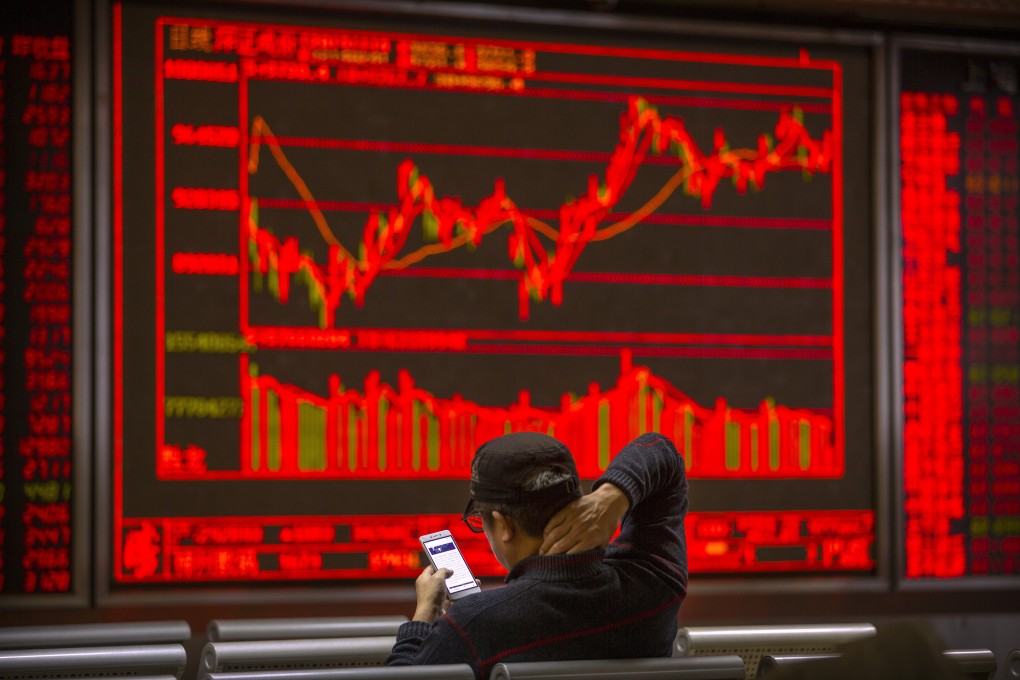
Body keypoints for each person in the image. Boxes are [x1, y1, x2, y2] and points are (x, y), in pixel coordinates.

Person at [386, 430, 689, 678]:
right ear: (580, 501)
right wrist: (613, 495)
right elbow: (662, 452)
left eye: (481, 519)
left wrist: (423, 617)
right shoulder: (656, 584)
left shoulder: (472, 626)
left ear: (504, 525)